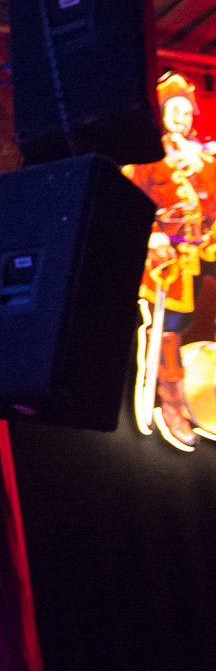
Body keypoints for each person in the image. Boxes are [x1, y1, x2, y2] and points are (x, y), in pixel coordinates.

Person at [124, 71, 216, 446]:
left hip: (205, 245)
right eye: (174, 109)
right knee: (169, 328)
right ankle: (172, 404)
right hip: (168, 257)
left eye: (186, 110)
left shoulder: (205, 158)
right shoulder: (146, 158)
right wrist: (153, 237)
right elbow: (128, 203)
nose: (182, 117)